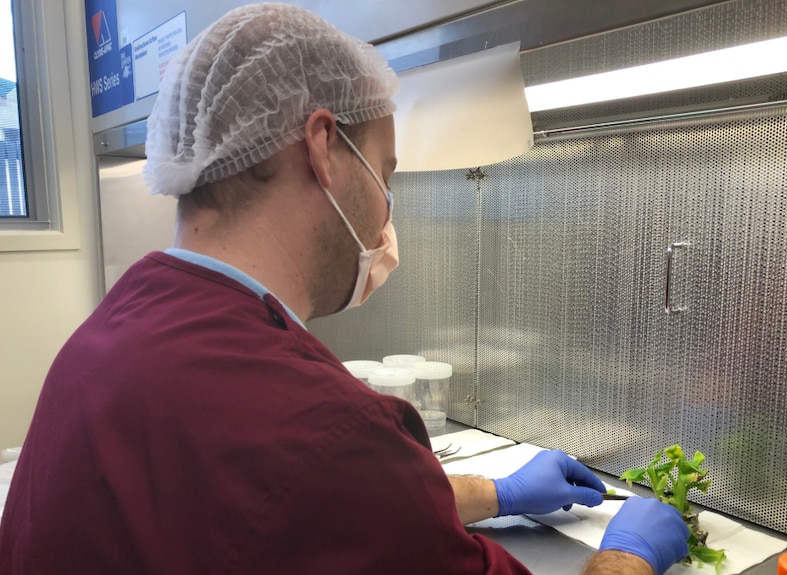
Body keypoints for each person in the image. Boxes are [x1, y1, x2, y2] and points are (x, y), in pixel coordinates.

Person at [0, 4, 689, 574]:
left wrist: (495, 492)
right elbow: (320, 479)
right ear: (324, 147)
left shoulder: (111, 333)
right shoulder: (328, 429)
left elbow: (282, 506)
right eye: (384, 175)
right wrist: (626, 557)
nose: (386, 213)